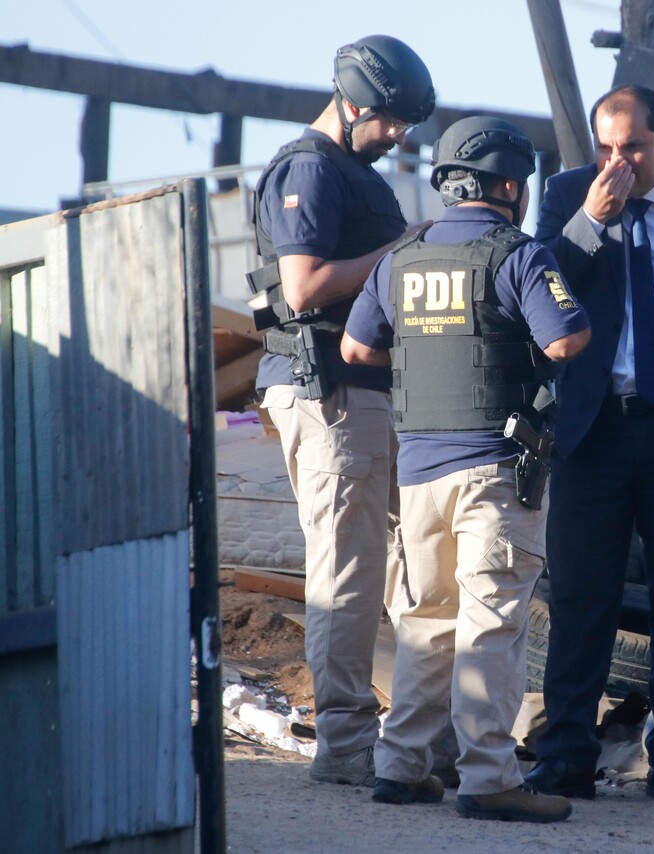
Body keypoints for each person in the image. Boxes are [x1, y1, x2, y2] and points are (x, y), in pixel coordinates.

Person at [340, 116, 591, 823]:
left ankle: (401, 768)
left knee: (425, 618)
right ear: (510, 184)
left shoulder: (400, 258)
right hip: (493, 470)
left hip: (418, 469)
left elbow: (359, 351)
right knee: (489, 621)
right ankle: (487, 776)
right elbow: (567, 338)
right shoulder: (518, 253)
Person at [524, 85, 654, 806]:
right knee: (582, 598)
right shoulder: (567, 195)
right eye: (606, 148)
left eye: (634, 148)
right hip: (593, 425)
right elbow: (538, 285)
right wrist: (591, 221)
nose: (618, 162)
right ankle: (565, 757)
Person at [249, 35, 435, 787]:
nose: (398, 137)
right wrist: (404, 253)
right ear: (352, 103)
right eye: (389, 120)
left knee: (407, 561)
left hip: (372, 393)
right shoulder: (309, 170)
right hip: (328, 389)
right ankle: (346, 741)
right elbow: (302, 287)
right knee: (348, 569)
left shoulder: (354, 173)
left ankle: (416, 734)